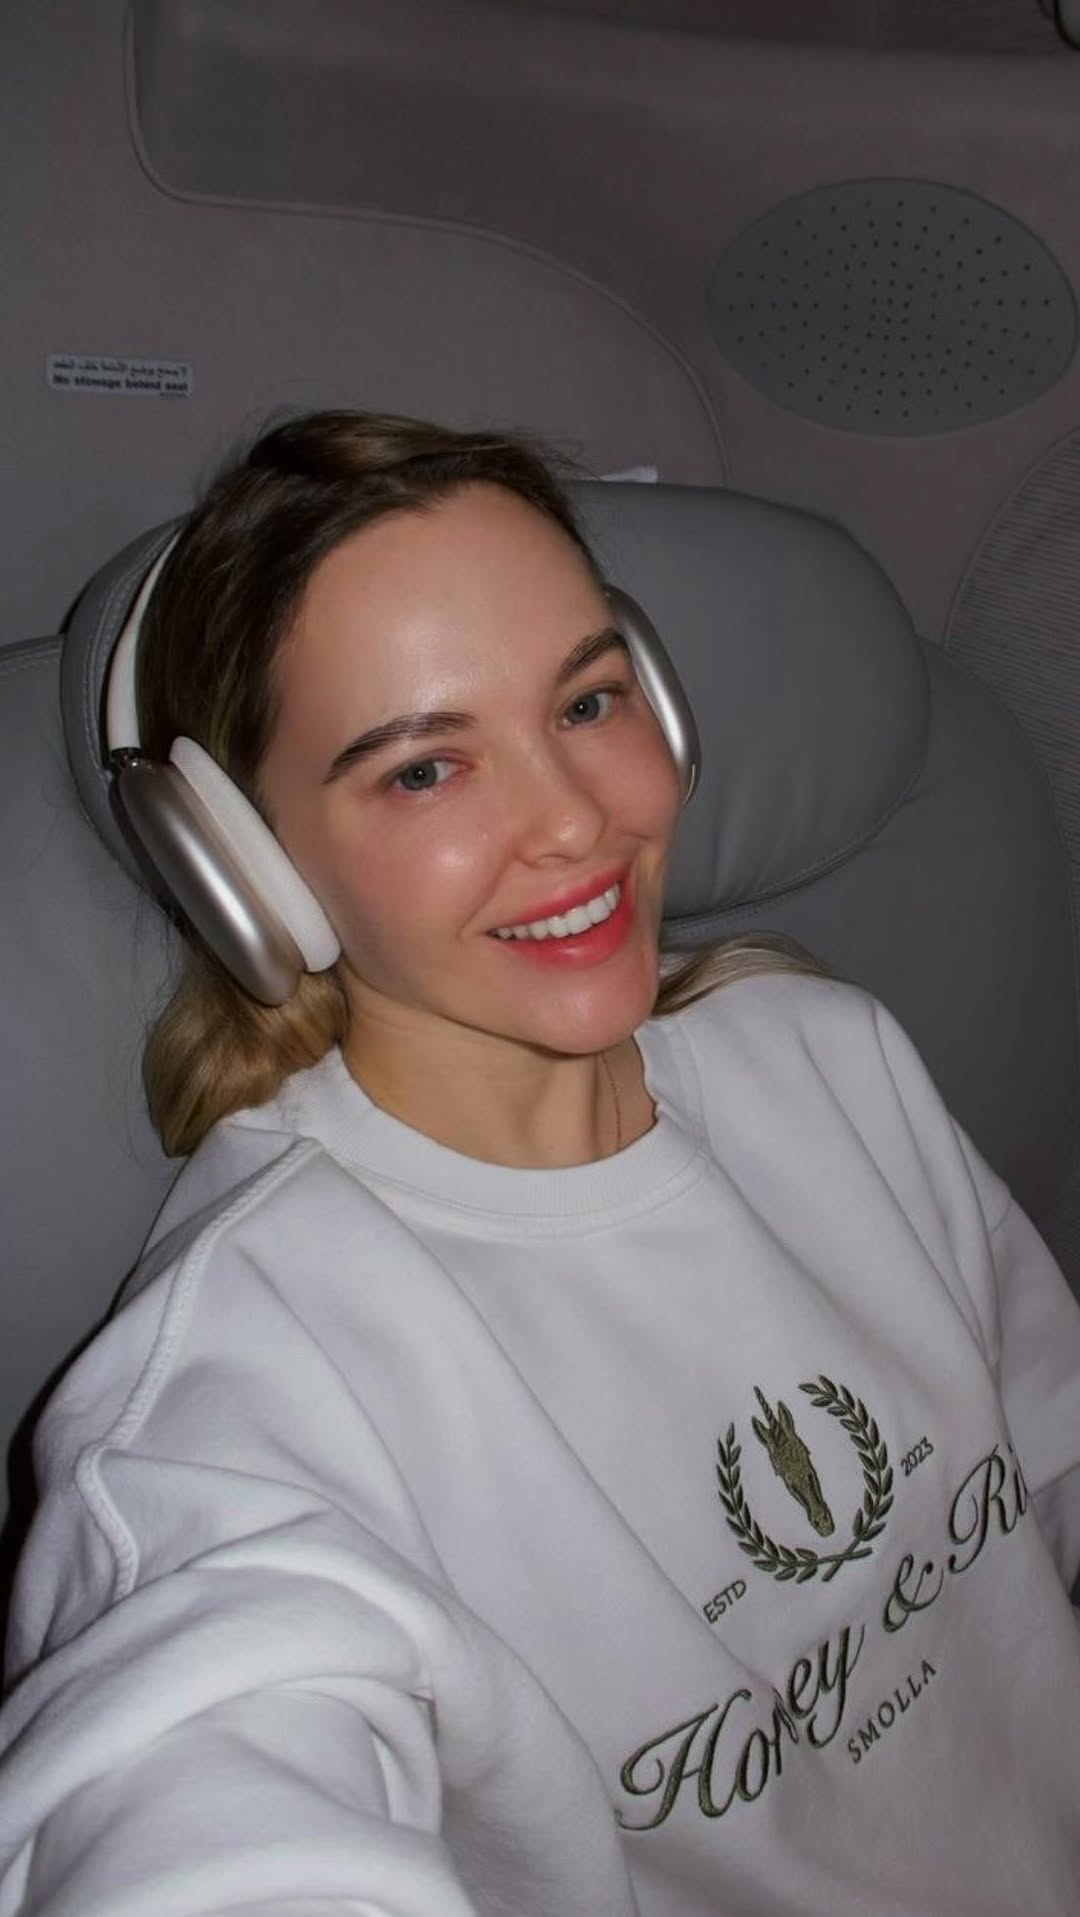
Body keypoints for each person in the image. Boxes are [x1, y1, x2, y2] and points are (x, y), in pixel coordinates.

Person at [1, 409, 1078, 1915]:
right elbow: (197, 1777)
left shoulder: (830, 1057)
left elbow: (1056, 1458)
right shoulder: (234, 1390)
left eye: (586, 700)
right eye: (423, 770)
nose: (575, 819)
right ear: (245, 866)